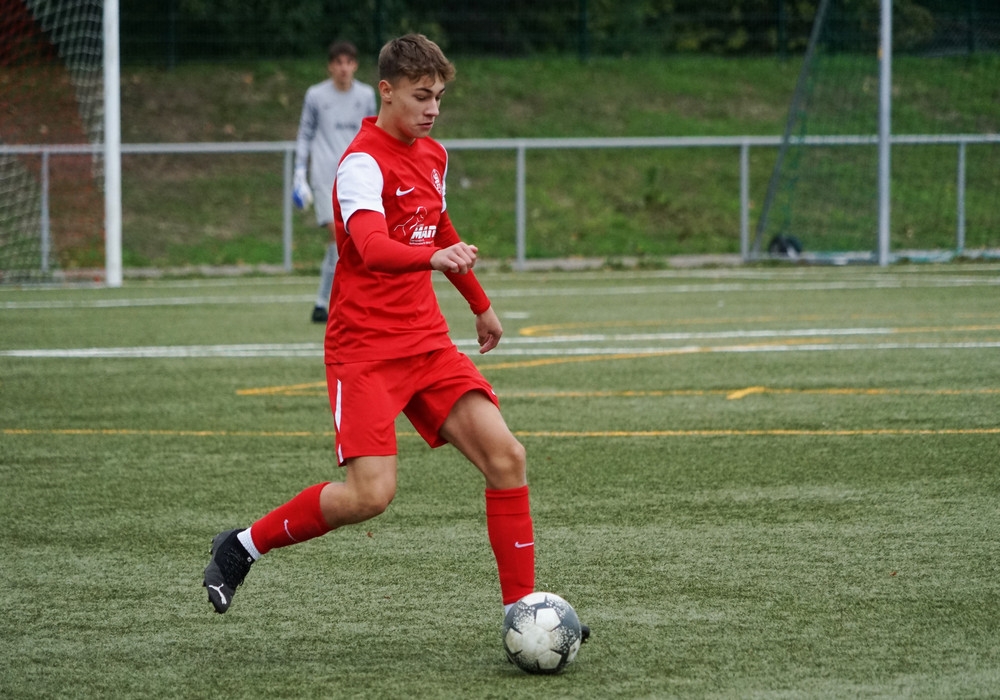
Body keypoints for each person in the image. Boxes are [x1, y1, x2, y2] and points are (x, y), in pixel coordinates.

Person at [203, 33, 589, 643]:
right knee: (370, 495)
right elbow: (370, 248)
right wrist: (432, 258)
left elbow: (441, 226)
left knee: (507, 457)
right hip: (363, 350)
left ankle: (523, 614)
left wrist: (480, 305)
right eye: (420, 96)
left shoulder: (433, 155)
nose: (433, 108)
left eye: (439, 96)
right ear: (386, 91)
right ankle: (242, 545)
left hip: (426, 342)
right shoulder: (361, 162)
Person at [293, 40, 377, 324]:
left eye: (348, 62)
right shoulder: (316, 95)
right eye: (338, 63)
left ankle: (329, 301)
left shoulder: (366, 95)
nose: (343, 68)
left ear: (355, 65)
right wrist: (299, 174)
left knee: (353, 240)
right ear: (330, 66)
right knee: (337, 235)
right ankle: (327, 302)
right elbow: (305, 134)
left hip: (355, 176)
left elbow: (372, 133)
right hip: (325, 176)